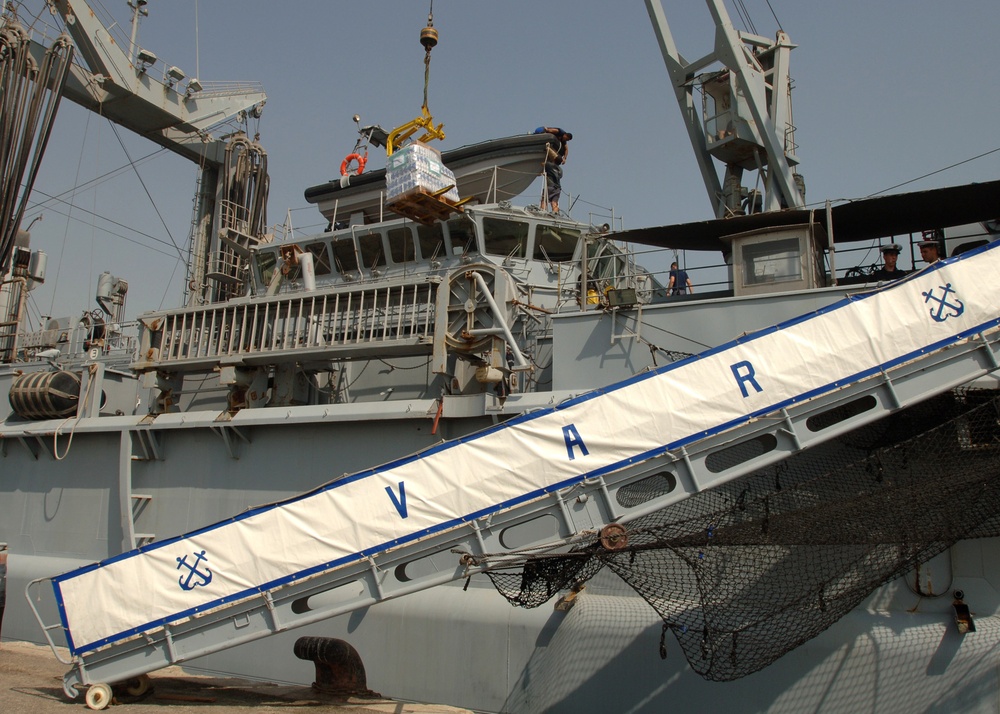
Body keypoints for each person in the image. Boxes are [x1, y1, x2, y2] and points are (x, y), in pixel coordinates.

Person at [534, 127, 572, 212]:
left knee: (544, 200)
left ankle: (542, 211)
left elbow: (542, 164)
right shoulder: (560, 170)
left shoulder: (549, 165)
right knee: (554, 202)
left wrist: (548, 149)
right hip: (558, 188)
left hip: (550, 187)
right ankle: (555, 213)